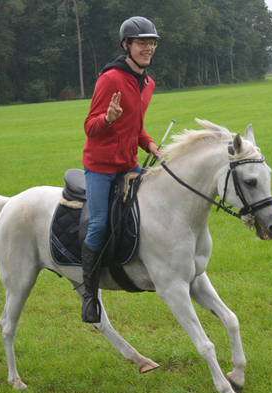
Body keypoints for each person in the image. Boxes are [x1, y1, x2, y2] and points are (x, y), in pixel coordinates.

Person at [80, 16, 163, 323]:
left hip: (129, 165)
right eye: (142, 43)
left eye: (151, 43)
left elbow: (136, 128)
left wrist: (150, 144)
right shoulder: (111, 79)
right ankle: (89, 295)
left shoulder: (148, 83)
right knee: (100, 224)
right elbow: (90, 127)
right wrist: (108, 118)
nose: (148, 48)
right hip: (101, 167)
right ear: (126, 45)